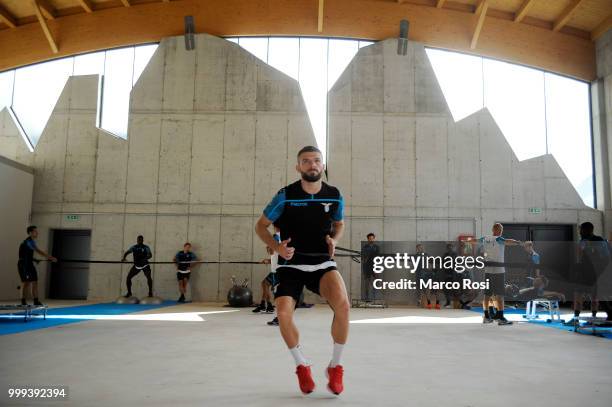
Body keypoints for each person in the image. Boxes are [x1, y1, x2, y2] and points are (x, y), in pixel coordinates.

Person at [255, 145, 349, 395]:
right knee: (284, 314)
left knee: (343, 305)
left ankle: (336, 366)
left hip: (322, 262)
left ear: (322, 165)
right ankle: (302, 365)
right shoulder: (285, 195)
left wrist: (335, 240)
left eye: (316, 160)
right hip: (291, 265)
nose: (312, 165)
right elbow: (261, 226)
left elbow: (339, 224)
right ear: (298, 167)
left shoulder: (334, 195)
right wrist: (276, 247)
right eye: (306, 161)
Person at [474, 223, 523, 325]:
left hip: (488, 271)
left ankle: (487, 316)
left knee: (487, 295)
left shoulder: (485, 238)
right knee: (499, 295)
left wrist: (466, 241)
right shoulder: (498, 239)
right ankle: (500, 317)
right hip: (498, 271)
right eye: (499, 229)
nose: (500, 231)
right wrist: (519, 242)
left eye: (501, 229)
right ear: (495, 230)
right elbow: (509, 241)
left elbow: (475, 241)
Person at [567, 222, 611, 324]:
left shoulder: (599, 240)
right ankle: (576, 318)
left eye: (581, 230)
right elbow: (580, 257)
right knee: (578, 295)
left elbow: (605, 257)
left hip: (595, 274)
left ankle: (594, 317)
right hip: (583, 273)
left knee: (595, 297)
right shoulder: (582, 241)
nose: (580, 232)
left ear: (588, 230)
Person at [17, 225, 57, 306]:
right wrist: (51, 257)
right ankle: (23, 301)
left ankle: (36, 300)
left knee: (35, 282)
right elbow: (38, 251)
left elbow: (27, 255)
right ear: (30, 233)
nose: (37, 232)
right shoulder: (28, 242)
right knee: (26, 283)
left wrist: (34, 259)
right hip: (24, 265)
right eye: (35, 231)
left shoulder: (32, 241)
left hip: (29, 264)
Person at [253, 232, 281, 314]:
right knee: (265, 284)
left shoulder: (277, 237)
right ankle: (266, 305)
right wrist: (268, 260)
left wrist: (268, 257)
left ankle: (269, 307)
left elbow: (279, 258)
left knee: (268, 286)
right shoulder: (278, 242)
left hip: (277, 271)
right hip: (276, 270)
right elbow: (276, 258)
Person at [415, 244, 438, 309]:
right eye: (419, 248)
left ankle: (428, 302)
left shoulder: (426, 255)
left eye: (421, 248)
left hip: (426, 274)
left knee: (427, 288)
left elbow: (431, 263)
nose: (420, 249)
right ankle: (419, 301)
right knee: (420, 288)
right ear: (417, 249)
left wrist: (430, 270)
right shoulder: (416, 256)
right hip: (419, 274)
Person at [361, 232, 380, 301]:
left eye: (372, 238)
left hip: (375, 267)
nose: (371, 240)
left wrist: (377, 268)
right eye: (370, 238)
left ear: (374, 239)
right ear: (368, 239)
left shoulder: (377, 247)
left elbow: (378, 258)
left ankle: (374, 297)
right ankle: (367, 298)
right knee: (367, 283)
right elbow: (363, 258)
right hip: (367, 267)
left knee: (376, 282)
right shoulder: (365, 247)